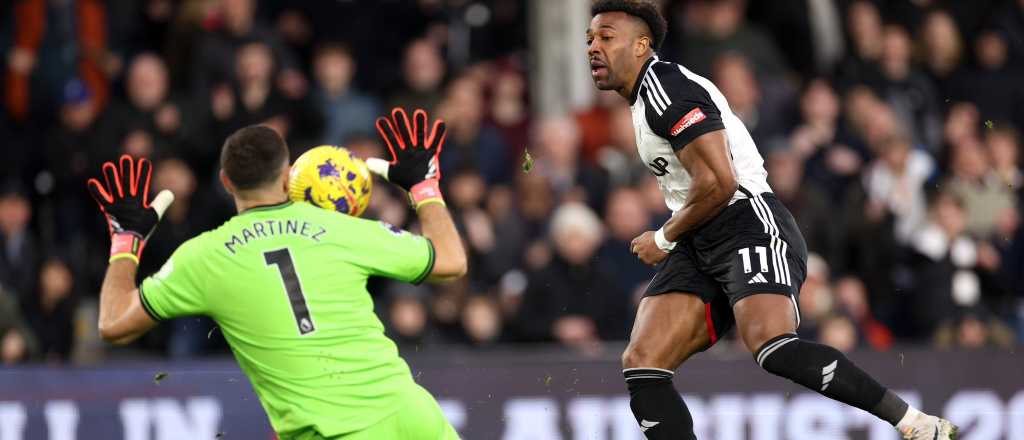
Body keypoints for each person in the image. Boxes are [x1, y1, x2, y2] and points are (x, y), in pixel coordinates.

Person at [584, 1, 958, 439]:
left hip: (746, 220)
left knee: (772, 345)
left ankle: (915, 424)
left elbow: (721, 181)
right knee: (643, 361)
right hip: (698, 235)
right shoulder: (644, 99)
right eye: (589, 39)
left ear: (641, 45)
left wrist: (664, 238)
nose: (593, 47)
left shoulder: (667, 87)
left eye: (606, 37)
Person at [85, 108, 464, 440]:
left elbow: (114, 323)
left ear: (226, 181)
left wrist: (127, 242)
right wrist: (423, 187)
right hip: (413, 418)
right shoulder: (342, 228)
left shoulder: (203, 257)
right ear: (288, 176)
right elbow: (451, 261)